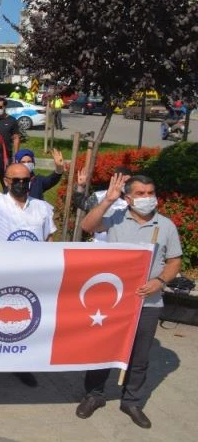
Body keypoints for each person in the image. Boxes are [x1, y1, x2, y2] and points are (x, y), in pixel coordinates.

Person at [77, 174, 183, 429]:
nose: (147, 198)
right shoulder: (115, 218)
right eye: (140, 193)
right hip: (113, 301)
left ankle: (132, 401)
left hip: (148, 302)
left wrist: (160, 281)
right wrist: (107, 201)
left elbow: (174, 261)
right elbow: (88, 226)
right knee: (103, 350)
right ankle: (94, 395)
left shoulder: (166, 225)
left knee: (140, 356)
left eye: (150, 193)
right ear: (128, 198)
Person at [0, 123, 56, 388]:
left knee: (25, 323)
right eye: (15, 180)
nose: (21, 184)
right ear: (7, 182)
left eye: (25, 180)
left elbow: (49, 240)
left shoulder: (42, 208)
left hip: (29, 278)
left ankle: (20, 365)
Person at [0, 97, 21, 189]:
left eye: (0, 107)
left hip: (5, 157)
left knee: (6, 181)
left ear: (5, 107)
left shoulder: (12, 120)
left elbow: (16, 138)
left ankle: (8, 196)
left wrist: (16, 156)